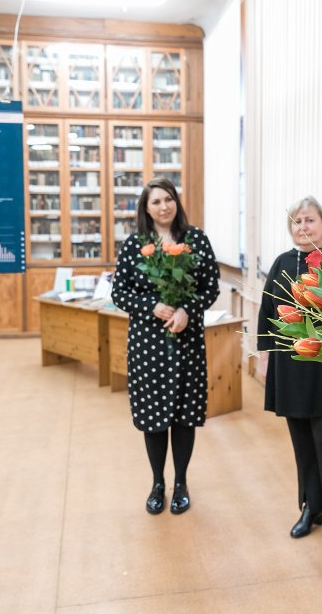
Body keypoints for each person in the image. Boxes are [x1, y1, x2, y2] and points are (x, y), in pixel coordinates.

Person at [256, 196, 322, 548]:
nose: (303, 227)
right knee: (301, 441)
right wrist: (265, 356)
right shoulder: (282, 262)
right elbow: (268, 312)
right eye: (297, 222)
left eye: (309, 220)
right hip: (291, 364)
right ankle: (311, 508)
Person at [112, 177, 220, 516]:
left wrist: (189, 311)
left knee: (184, 415)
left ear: (176, 202)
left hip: (186, 340)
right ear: (146, 208)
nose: (163, 206)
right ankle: (158, 482)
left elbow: (211, 287)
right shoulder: (135, 245)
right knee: (153, 417)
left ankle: (182, 483)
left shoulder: (196, 239)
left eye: (168, 199)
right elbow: (120, 293)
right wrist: (150, 307)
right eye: (156, 201)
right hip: (148, 343)